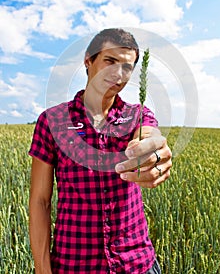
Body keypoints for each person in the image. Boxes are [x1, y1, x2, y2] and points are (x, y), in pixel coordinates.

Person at [29, 28, 172, 274]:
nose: (118, 74)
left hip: (136, 265)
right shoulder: (52, 121)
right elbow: (40, 202)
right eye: (110, 61)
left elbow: (150, 136)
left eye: (126, 67)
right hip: (74, 266)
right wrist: (43, 270)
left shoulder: (138, 116)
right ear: (88, 59)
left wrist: (154, 152)